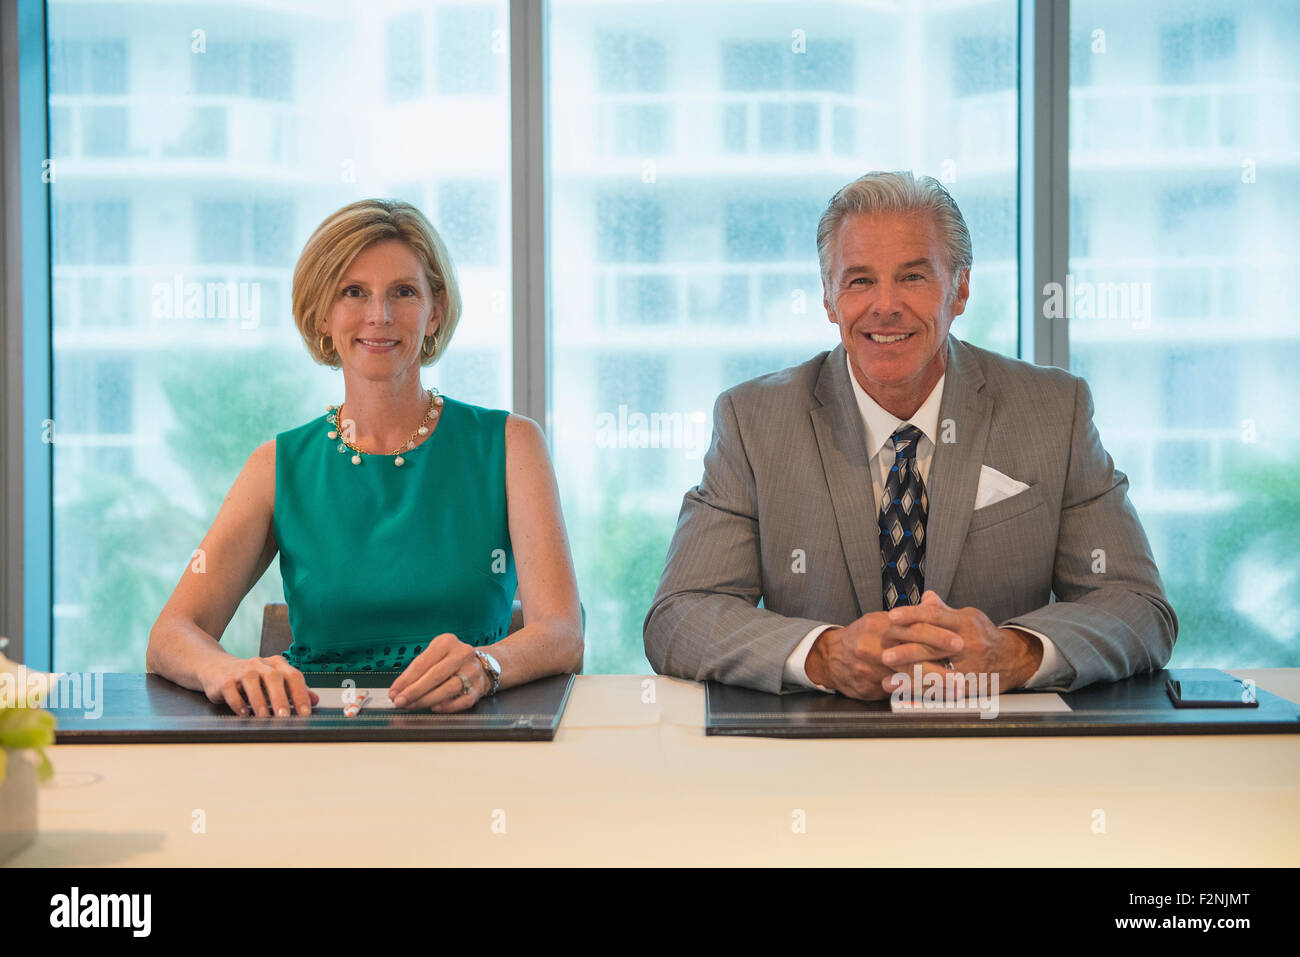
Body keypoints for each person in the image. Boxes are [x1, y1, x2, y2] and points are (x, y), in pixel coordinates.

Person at [643, 171, 1176, 699]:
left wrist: (1014, 654)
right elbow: (682, 615)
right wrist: (825, 656)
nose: (885, 305)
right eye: (859, 280)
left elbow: (1135, 605)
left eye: (914, 277)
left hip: (1003, 750)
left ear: (960, 288)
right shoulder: (754, 421)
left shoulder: (1054, 411)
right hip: (813, 764)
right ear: (829, 298)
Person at [148, 199, 583, 715]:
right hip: (314, 741)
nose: (379, 315)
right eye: (353, 292)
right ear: (322, 313)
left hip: (470, 735)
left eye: (403, 292)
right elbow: (173, 632)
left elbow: (561, 631)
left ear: (435, 310)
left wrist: (488, 665)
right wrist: (224, 667)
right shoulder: (277, 465)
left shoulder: (512, 444)